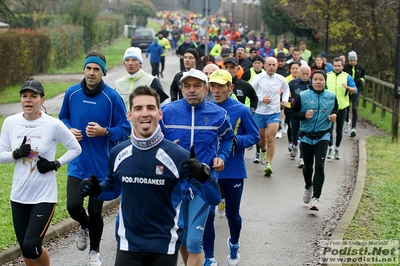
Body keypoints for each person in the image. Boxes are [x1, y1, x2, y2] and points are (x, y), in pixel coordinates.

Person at [78, 85, 221, 266]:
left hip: (163, 246)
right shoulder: (118, 152)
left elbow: (214, 198)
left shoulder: (179, 156)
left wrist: (203, 176)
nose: (145, 113)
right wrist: (96, 189)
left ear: (159, 114)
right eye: (138, 108)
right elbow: (112, 189)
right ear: (129, 115)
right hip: (128, 244)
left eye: (150, 108)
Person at [59, 51, 132, 265]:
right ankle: (83, 225)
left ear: (103, 72)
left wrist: (105, 132)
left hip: (101, 166)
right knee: (73, 206)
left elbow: (125, 128)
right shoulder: (71, 93)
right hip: (78, 162)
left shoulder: (112, 97)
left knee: (95, 210)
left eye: (96, 69)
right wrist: (68, 130)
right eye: (89, 68)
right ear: (84, 69)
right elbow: (62, 118)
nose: (92, 73)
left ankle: (94, 251)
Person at [0, 80, 82, 266]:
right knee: (25, 249)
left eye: (34, 96)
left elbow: (75, 149)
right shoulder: (10, 122)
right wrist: (15, 154)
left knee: (32, 246)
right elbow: (0, 155)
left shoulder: (53, 124)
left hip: (44, 196)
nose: (28, 100)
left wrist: (55, 163)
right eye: (24, 96)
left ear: (42, 100)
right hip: (19, 195)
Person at [160, 68, 234, 266]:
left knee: (194, 241)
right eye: (187, 86)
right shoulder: (167, 112)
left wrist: (221, 157)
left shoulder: (218, 114)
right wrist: (166, 150)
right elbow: (154, 143)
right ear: (181, 88)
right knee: (182, 238)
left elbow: (227, 138)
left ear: (206, 88)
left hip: (202, 186)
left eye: (197, 86)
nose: (191, 90)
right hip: (173, 186)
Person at [203, 69, 260, 266]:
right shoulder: (206, 108)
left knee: (232, 215)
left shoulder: (242, 110)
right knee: (208, 215)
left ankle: (234, 243)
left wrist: (235, 140)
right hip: (210, 172)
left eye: (221, 86)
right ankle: (209, 257)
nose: (216, 90)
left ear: (231, 87)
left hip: (233, 170)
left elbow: (254, 136)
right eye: (213, 86)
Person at [289, 70, 338, 211]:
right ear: (312, 80)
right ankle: (308, 186)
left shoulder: (331, 96)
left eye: (321, 79)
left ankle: (316, 198)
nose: (318, 82)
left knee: (320, 166)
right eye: (315, 79)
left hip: (323, 136)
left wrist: (334, 115)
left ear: (325, 81)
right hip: (305, 136)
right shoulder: (303, 96)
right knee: (308, 166)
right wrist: (304, 115)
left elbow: (336, 109)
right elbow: (291, 112)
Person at [250, 57, 289, 176]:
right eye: (269, 65)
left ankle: (268, 164)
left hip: (274, 111)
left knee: (271, 137)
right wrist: (262, 99)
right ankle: (262, 150)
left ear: (277, 66)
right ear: (264, 66)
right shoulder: (259, 78)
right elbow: (251, 91)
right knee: (262, 140)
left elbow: (286, 90)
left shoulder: (280, 79)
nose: (271, 67)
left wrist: (285, 100)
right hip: (260, 112)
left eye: (274, 65)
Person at [115, 47, 169, 111]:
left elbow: (164, 105)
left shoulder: (152, 81)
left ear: (140, 63)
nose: (130, 63)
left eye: (134, 60)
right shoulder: (118, 84)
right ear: (124, 64)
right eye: (127, 60)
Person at [326, 57, 357, 159]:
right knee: (329, 129)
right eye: (335, 66)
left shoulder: (347, 77)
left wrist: (347, 87)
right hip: (329, 107)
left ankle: (337, 149)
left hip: (342, 107)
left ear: (342, 66)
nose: (337, 68)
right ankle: (330, 148)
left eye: (339, 66)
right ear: (332, 66)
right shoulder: (327, 76)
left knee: (339, 130)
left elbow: (355, 90)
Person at [287, 65, 312, 168]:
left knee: (304, 135)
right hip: (295, 112)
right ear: (299, 73)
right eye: (303, 74)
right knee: (295, 132)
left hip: (307, 114)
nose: (305, 76)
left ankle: (302, 158)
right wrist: (290, 100)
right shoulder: (293, 83)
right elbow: (285, 95)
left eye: (307, 74)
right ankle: (294, 144)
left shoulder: (312, 84)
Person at [343, 51, 365, 138]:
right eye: (351, 60)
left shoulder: (360, 67)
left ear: (356, 60)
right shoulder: (345, 67)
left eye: (354, 60)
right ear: (349, 60)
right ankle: (347, 121)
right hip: (347, 90)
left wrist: (362, 80)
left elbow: (363, 74)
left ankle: (353, 128)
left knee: (355, 108)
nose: (353, 62)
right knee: (347, 108)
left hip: (356, 90)